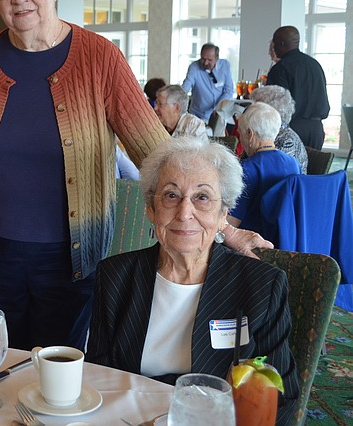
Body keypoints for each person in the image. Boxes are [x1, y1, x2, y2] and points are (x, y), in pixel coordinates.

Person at [0, 0, 171, 351]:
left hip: (72, 257)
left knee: (55, 371)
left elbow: (157, 152)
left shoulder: (99, 58)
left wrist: (219, 219)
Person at [88, 137, 298, 426]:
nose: (185, 213)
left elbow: (281, 397)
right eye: (171, 195)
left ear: (223, 212)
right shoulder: (115, 276)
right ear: (151, 209)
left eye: (202, 197)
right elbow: (98, 376)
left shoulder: (261, 286)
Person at [228, 102, 300, 235]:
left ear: (250, 134)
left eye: (240, 134)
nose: (240, 140)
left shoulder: (246, 168)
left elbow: (232, 222)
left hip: (251, 242)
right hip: (284, 239)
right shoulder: (293, 163)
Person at [266, 26, 330, 149]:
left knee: (290, 168)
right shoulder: (315, 65)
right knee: (315, 167)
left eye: (274, 43)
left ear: (282, 43)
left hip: (292, 130)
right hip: (316, 129)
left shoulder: (280, 69)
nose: (273, 48)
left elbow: (275, 106)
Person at [248, 85, 308, 174]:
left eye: (255, 107)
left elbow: (274, 176)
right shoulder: (266, 133)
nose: (249, 111)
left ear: (268, 111)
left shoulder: (287, 140)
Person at [181, 43, 234, 121]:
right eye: (203, 59)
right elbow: (187, 85)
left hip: (219, 115)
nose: (205, 63)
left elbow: (229, 91)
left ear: (216, 58)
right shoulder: (194, 67)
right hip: (197, 115)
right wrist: (179, 95)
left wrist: (218, 108)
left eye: (209, 60)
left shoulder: (225, 66)